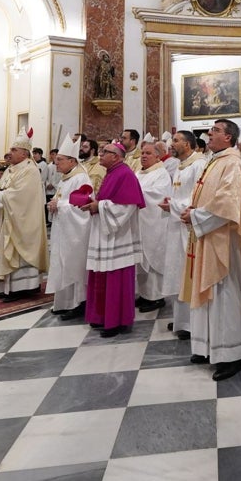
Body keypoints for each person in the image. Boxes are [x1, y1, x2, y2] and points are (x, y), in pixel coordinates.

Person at [180, 118, 241, 380]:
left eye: (214, 130)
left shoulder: (232, 164)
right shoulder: (214, 161)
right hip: (207, 237)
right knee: (206, 291)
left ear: (228, 137)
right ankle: (207, 346)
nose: (209, 133)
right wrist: (191, 211)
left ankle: (232, 354)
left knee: (224, 295)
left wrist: (196, 216)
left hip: (224, 242)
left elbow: (227, 203)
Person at [83, 141, 145, 337]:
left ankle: (117, 321)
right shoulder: (112, 172)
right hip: (106, 235)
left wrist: (98, 207)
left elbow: (127, 207)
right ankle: (101, 316)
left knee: (115, 278)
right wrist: (94, 204)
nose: (100, 154)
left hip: (118, 238)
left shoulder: (125, 174)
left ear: (116, 157)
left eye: (105, 152)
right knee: (101, 275)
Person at [0, 129, 49, 299]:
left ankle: (23, 287)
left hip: (22, 219)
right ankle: (7, 286)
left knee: (20, 251)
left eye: (14, 150)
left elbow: (21, 196)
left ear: (24, 154)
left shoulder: (30, 169)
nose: (10, 153)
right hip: (7, 218)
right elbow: (4, 189)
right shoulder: (10, 169)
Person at [160, 130, 207, 339]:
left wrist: (173, 206)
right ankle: (181, 320)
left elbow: (198, 197)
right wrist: (170, 204)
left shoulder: (199, 164)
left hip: (190, 226)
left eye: (176, 141)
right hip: (176, 225)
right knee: (178, 271)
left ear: (187, 144)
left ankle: (192, 322)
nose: (172, 144)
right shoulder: (181, 165)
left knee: (189, 273)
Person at [47, 134, 93, 319]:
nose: (56, 163)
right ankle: (64, 302)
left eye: (60, 160)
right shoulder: (66, 177)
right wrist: (55, 204)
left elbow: (82, 205)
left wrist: (59, 205)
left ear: (72, 160)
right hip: (63, 230)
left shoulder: (80, 178)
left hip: (76, 233)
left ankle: (79, 303)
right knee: (61, 263)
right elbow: (63, 200)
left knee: (74, 265)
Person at [135, 140, 173, 312]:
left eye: (148, 153)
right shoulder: (139, 172)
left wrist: (134, 193)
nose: (144, 156)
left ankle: (156, 296)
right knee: (141, 259)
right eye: (142, 153)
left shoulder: (161, 174)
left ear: (157, 156)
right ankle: (144, 294)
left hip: (154, 222)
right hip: (140, 222)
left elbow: (158, 195)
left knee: (153, 258)